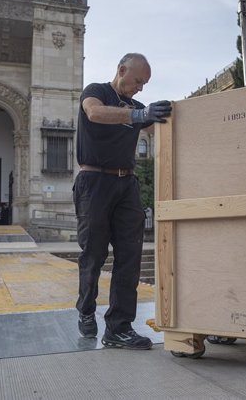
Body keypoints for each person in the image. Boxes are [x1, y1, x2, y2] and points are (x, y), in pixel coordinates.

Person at [73, 53, 171, 350]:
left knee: (130, 255)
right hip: (94, 183)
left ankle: (118, 328)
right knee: (94, 254)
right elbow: (94, 113)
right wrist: (137, 116)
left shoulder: (140, 109)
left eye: (145, 84)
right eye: (138, 81)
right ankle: (86, 308)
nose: (140, 88)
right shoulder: (96, 92)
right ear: (121, 70)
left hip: (127, 184)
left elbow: (162, 127)